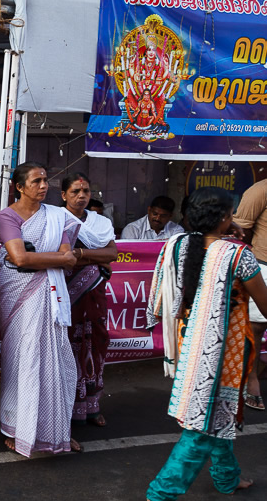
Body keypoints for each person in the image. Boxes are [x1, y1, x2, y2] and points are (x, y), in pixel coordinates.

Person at [145, 187, 266, 500]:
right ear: (225, 217)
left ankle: (227, 477)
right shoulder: (237, 254)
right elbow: (266, 307)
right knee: (201, 428)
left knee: (217, 415)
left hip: (192, 344)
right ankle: (160, 494)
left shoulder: (179, 245)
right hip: (225, 352)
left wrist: (228, 232)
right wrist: (235, 237)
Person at [0, 161, 81, 457]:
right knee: (23, 359)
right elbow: (19, 259)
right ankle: (16, 428)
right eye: (36, 181)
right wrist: (54, 259)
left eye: (46, 180)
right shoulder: (7, 216)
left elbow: (68, 255)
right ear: (19, 187)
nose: (44, 186)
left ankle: (54, 430)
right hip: (18, 294)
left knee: (55, 360)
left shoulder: (58, 216)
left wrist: (40, 259)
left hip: (49, 294)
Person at [61, 173, 117, 426]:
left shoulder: (99, 223)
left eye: (85, 191)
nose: (81, 196)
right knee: (67, 349)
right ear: (64, 195)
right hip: (64, 295)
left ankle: (92, 406)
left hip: (93, 295)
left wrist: (81, 253)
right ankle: (64, 409)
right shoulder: (56, 219)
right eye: (75, 191)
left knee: (94, 347)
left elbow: (112, 253)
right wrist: (97, 257)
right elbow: (60, 256)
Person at [232, 178, 267, 411]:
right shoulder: (261, 189)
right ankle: (251, 378)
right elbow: (240, 229)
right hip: (264, 265)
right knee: (255, 327)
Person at [120, 196, 184, 240]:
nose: (157, 218)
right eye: (155, 214)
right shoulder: (132, 229)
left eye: (163, 216)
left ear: (170, 216)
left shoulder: (177, 230)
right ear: (149, 210)